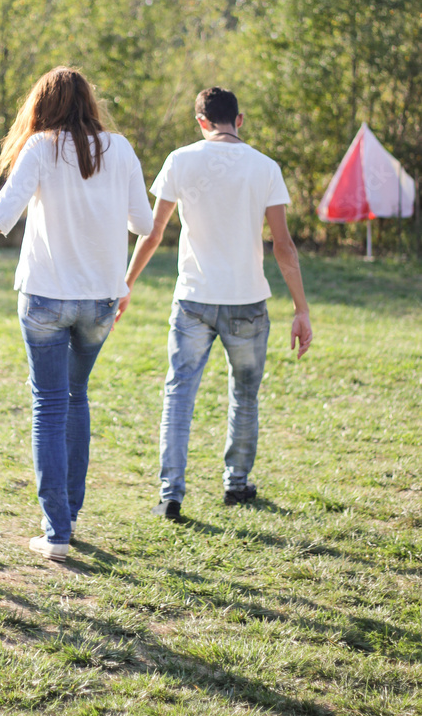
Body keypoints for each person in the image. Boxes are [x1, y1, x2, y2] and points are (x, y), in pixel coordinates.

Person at [0, 66, 153, 562]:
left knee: (49, 404)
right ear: (89, 103)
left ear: (43, 105)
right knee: (76, 396)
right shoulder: (122, 149)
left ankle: (56, 530)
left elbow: (0, 216)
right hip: (101, 301)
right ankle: (69, 518)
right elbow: (143, 224)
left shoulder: (42, 147)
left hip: (45, 297)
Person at [116, 86, 312, 519]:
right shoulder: (266, 168)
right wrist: (301, 310)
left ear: (201, 122)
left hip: (194, 300)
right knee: (245, 395)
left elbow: (154, 232)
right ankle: (236, 485)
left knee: (179, 395)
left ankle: (170, 495)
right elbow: (283, 246)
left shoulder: (180, 160)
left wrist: (126, 284)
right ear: (239, 120)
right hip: (248, 302)